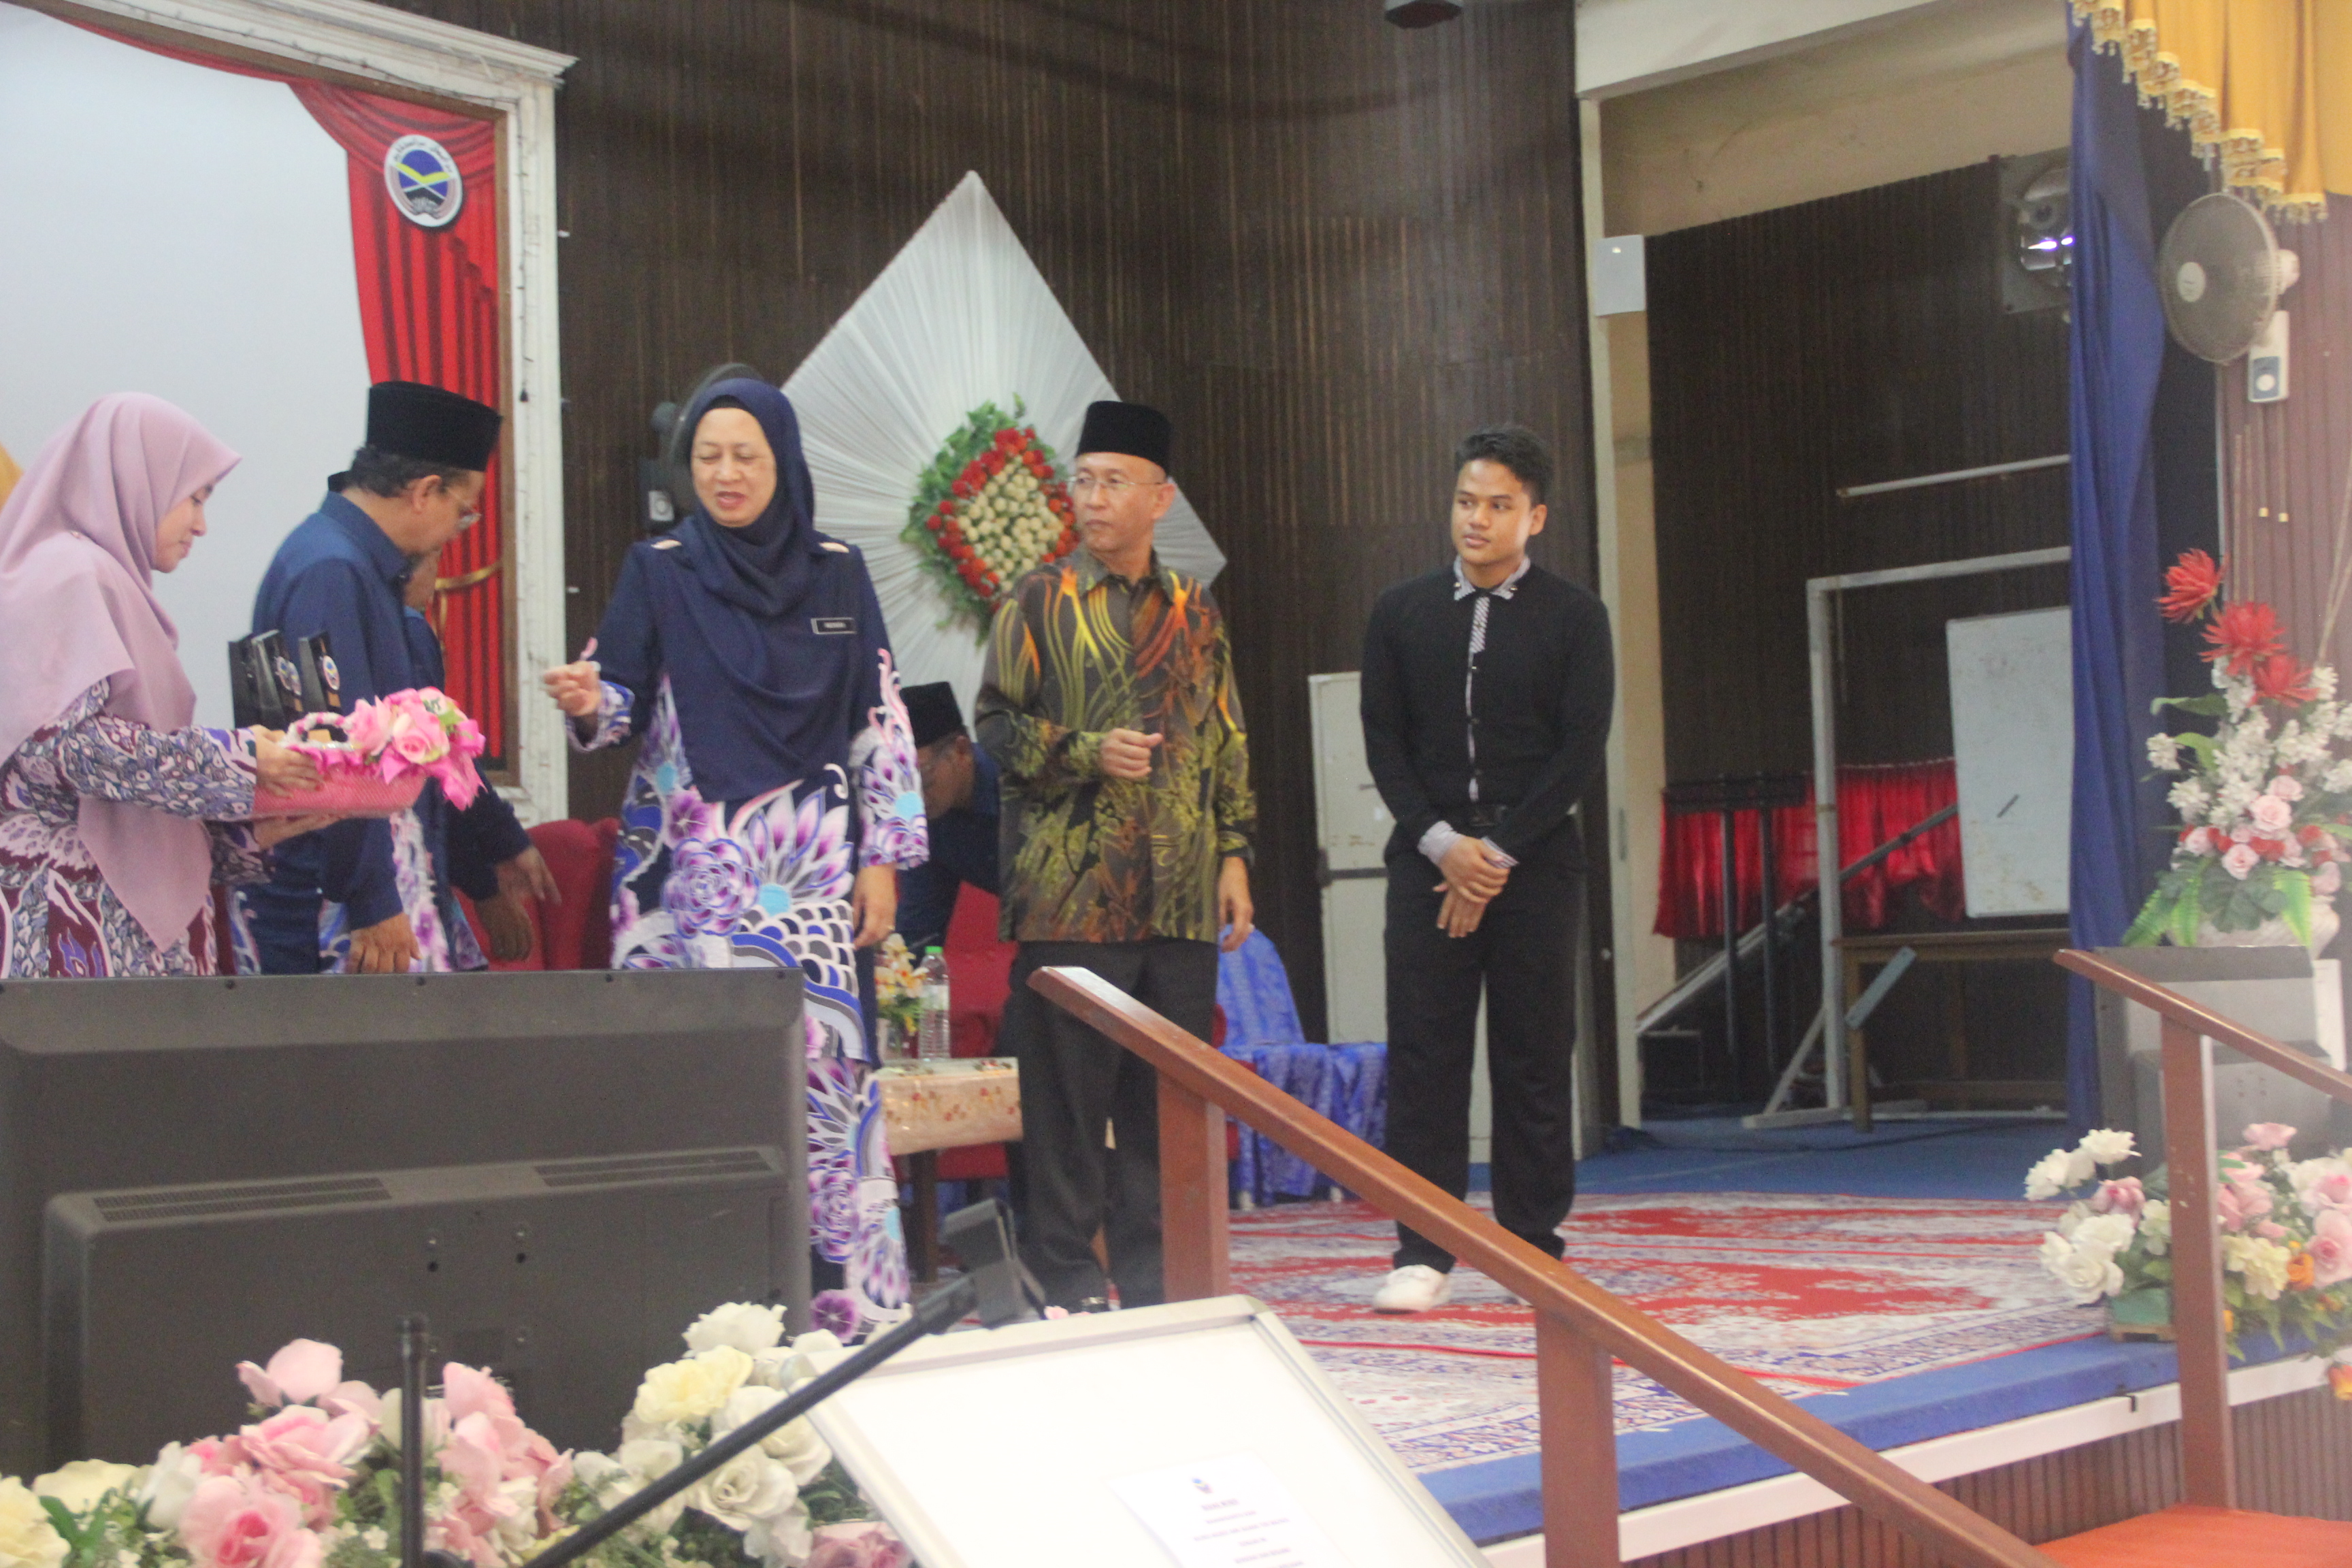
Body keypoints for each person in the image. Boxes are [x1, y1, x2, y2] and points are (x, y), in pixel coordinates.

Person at [541, 376, 928, 1325]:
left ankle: (845, 1309)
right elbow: (619, 698)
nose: (725, 474)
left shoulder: (838, 571)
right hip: (694, 875)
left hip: (814, 875)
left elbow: (877, 718)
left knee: (826, 1086)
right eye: (707, 457)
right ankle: (697, 1312)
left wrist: (882, 858)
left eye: (746, 456)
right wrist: (591, 702)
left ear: (782, 463)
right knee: (697, 1087)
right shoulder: (660, 567)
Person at [976, 399, 1256, 1312]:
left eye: (1114, 483)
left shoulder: (1195, 610)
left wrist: (1235, 855)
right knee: (1064, 1109)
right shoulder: (1036, 600)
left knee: (1161, 1108)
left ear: (1159, 498)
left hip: (1177, 898)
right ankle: (1064, 1280)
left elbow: (1225, 739)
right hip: (1071, 897)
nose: (1094, 500)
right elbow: (995, 730)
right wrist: (1086, 752)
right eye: (1084, 481)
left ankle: (1155, 1281)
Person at [1358, 425, 1614, 1313]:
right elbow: (1384, 743)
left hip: (1533, 866)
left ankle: (1530, 1249)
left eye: (1499, 505)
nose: (1477, 519)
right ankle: (1422, 1250)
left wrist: (1495, 858)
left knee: (1533, 1056)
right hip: (1427, 861)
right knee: (1426, 1057)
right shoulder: (1400, 612)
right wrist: (1444, 847)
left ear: (1534, 517)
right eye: (1467, 501)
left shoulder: (1576, 617)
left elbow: (1579, 753)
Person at [0, 393, 335, 977]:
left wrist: (246, 827)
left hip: (118, 942)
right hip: (72, 935)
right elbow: (66, 750)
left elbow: (121, 808)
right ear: (137, 479)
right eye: (195, 498)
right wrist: (236, 762)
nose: (201, 525)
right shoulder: (67, 574)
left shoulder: (104, 581)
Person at [244, 380, 546, 975]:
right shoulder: (332, 570)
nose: (459, 529)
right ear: (426, 492)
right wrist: (373, 900)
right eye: (464, 511)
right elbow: (339, 755)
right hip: (334, 904)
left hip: (362, 881)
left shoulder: (347, 561)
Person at [400, 547, 553, 962]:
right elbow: (440, 766)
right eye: (435, 558)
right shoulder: (408, 629)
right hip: (404, 880)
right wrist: (489, 876)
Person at [894, 681, 1000, 949]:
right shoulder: (925, 820)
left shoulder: (1016, 783)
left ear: (961, 751)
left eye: (923, 778)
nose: (914, 799)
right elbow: (919, 929)